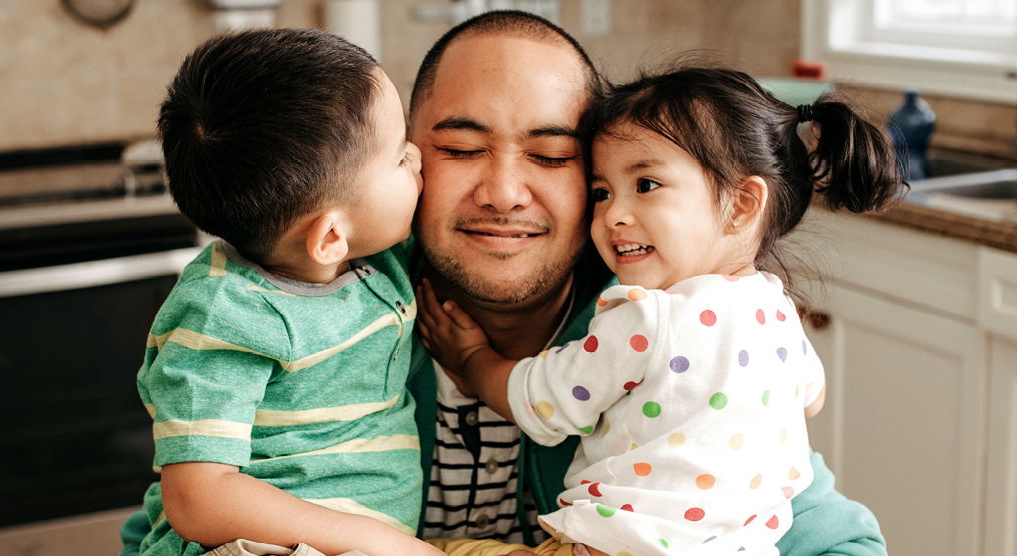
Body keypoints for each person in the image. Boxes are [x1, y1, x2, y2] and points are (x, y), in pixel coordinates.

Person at [123, 12, 889, 556]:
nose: (503, 192)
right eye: (458, 148)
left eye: (553, 158)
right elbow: (173, 516)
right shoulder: (316, 306)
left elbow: (835, 538)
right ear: (401, 160)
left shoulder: (660, 333)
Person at [415, 66, 904, 556]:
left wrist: (472, 359)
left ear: (741, 204)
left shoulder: (646, 318)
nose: (614, 215)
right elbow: (810, 399)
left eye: (646, 185)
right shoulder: (778, 312)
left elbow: (542, 401)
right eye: (603, 192)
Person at [130, 28, 439, 556]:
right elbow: (198, 499)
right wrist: (379, 543)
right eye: (398, 158)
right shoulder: (224, 314)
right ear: (330, 237)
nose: (417, 154)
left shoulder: (374, 261)